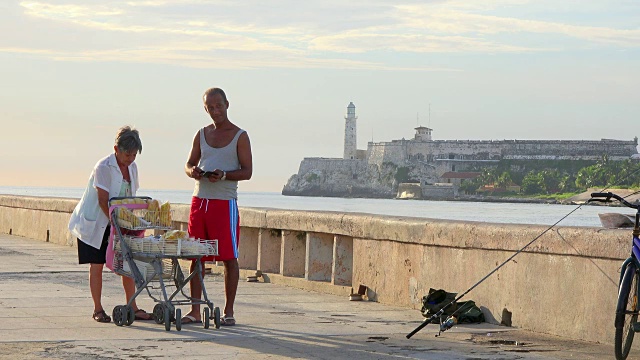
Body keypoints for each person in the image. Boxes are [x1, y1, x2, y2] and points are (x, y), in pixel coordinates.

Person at [183, 87, 253, 325]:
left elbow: (247, 172)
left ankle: (229, 311)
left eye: (218, 106)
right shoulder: (201, 134)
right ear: (206, 109)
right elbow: (189, 163)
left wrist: (223, 175)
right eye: (210, 108)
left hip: (224, 204)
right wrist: (193, 171)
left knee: (229, 257)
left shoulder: (240, 136)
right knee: (196, 256)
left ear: (227, 104)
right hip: (199, 201)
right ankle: (194, 310)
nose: (215, 111)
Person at [68, 126, 152, 322]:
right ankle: (98, 309)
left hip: (120, 221)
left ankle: (133, 305)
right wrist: (116, 226)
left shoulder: (132, 167)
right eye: (127, 154)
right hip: (96, 222)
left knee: (127, 263)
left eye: (134, 155)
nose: (130, 159)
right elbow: (103, 200)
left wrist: (129, 223)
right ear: (116, 149)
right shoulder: (103, 167)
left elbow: (130, 198)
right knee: (96, 264)